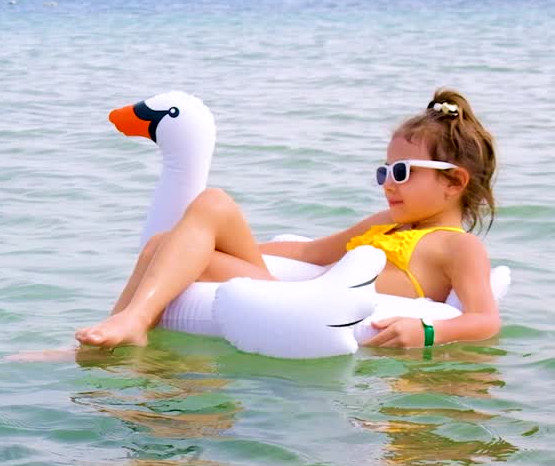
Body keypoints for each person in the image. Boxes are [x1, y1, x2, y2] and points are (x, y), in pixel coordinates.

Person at [74, 89, 501, 350]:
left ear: (454, 182)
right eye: (384, 172)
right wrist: (203, 241)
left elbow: (484, 319)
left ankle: (131, 325)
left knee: (206, 207)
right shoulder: (385, 223)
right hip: (292, 290)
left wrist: (428, 333)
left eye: (402, 172)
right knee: (168, 239)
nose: (389, 183)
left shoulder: (458, 246)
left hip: (298, 304)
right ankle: (123, 326)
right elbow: (310, 252)